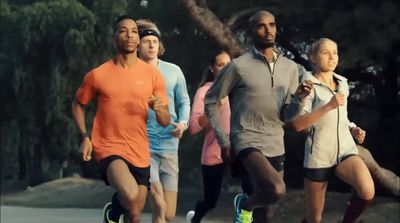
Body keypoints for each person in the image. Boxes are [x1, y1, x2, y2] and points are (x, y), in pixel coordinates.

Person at [204, 10, 313, 223]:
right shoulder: (239, 65)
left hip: (274, 140)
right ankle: (244, 204)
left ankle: (248, 208)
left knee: (267, 210)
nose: (268, 30)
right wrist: (223, 140)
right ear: (252, 31)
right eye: (261, 26)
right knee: (277, 189)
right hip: (246, 138)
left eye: (271, 25)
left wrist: (299, 98)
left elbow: (287, 115)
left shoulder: (289, 68)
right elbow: (211, 101)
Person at [71, 15, 170, 223]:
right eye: (124, 31)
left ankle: (114, 213)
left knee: (134, 213)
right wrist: (84, 137)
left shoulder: (152, 75)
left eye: (134, 31)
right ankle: (115, 208)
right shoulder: (98, 75)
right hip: (109, 147)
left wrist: (160, 110)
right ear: (115, 37)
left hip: (139, 149)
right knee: (131, 195)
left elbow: (164, 120)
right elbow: (78, 104)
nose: (130, 35)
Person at [290, 38, 374, 223]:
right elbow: (297, 125)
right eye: (325, 52)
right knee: (314, 218)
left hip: (345, 149)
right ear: (312, 57)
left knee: (367, 190)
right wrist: (328, 106)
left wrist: (353, 129)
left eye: (335, 52)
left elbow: (342, 117)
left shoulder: (343, 83)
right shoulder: (307, 86)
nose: (332, 57)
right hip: (318, 156)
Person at [136, 19, 191, 223]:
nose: (151, 45)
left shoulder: (173, 70)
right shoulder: (130, 72)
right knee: (158, 202)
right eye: (146, 41)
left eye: (155, 41)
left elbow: (184, 101)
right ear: (138, 46)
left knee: (168, 214)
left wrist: (183, 124)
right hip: (142, 143)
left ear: (160, 46)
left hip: (169, 142)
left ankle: (117, 210)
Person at [185, 50, 232, 223]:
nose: (226, 68)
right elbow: (193, 127)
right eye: (221, 65)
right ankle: (195, 218)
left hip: (240, 149)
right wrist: (213, 108)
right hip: (215, 154)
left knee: (251, 186)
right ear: (212, 68)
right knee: (211, 201)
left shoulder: (239, 88)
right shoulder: (205, 92)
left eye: (229, 64)